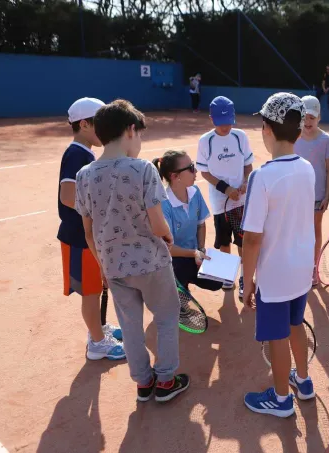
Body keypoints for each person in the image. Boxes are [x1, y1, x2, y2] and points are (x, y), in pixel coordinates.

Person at [75, 99, 189, 403]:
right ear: (130, 130)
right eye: (139, 135)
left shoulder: (84, 174)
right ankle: (165, 381)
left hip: (113, 265)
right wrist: (167, 236)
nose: (140, 142)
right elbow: (157, 222)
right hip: (151, 261)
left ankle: (143, 382)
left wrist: (102, 264)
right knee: (165, 316)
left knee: (130, 324)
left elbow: (88, 231)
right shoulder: (142, 170)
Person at [242, 93, 315, 418]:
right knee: (296, 324)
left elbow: (252, 239)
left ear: (266, 129)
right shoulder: (307, 168)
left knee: (277, 337)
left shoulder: (263, 176)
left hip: (275, 274)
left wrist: (246, 282)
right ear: (299, 131)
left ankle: (282, 400)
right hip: (300, 270)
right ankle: (304, 380)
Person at [57, 97, 125, 361]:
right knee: (91, 291)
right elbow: (67, 195)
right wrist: (98, 215)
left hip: (87, 236)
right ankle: (97, 343)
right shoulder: (78, 154)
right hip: (79, 238)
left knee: (95, 286)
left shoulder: (85, 152)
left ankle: (99, 329)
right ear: (84, 124)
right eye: (101, 124)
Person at [153, 150, 222, 327]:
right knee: (176, 270)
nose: (196, 171)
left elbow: (201, 224)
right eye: (191, 168)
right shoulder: (164, 204)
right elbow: (167, 247)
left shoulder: (195, 191)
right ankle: (174, 292)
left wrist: (201, 249)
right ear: (175, 176)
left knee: (217, 282)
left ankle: (181, 287)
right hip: (171, 259)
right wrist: (194, 253)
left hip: (193, 254)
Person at [196, 96, 254, 296]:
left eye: (229, 121)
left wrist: (246, 182)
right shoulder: (205, 141)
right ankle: (228, 275)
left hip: (241, 201)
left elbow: (248, 164)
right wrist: (226, 188)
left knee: (242, 241)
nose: (226, 127)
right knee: (223, 242)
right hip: (220, 202)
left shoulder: (240, 137)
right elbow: (204, 172)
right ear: (212, 119)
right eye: (221, 123)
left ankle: (245, 278)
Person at [294, 96, 329, 286]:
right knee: (296, 232)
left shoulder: (326, 141)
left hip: (317, 197)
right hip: (296, 197)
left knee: (314, 232)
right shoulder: (293, 138)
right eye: (305, 117)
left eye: (312, 117)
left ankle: (313, 267)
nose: (308, 121)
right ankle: (298, 266)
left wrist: (327, 196)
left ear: (319, 118)